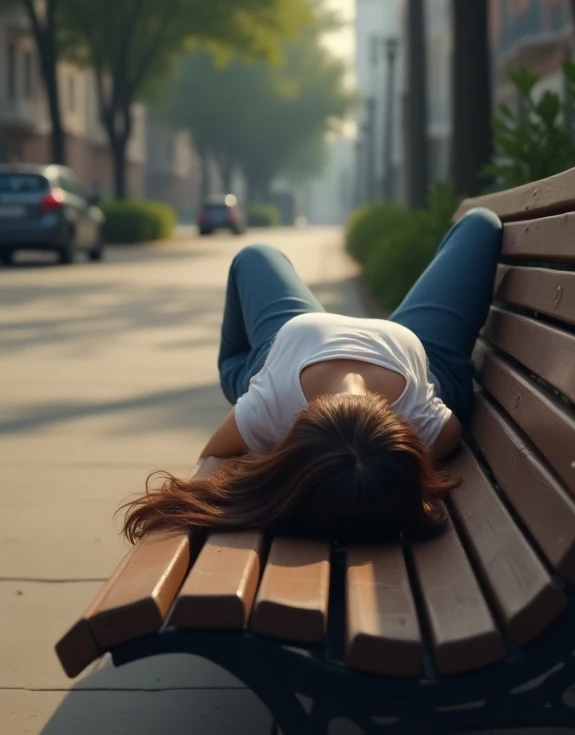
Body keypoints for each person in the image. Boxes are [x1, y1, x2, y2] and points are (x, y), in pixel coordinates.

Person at [122, 208, 502, 544]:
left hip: (284, 355)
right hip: (423, 360)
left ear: (287, 437)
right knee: (482, 224)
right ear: (403, 432)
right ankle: (244, 369)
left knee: (255, 256)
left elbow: (213, 458)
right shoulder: (429, 426)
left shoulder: (269, 406)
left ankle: (239, 372)